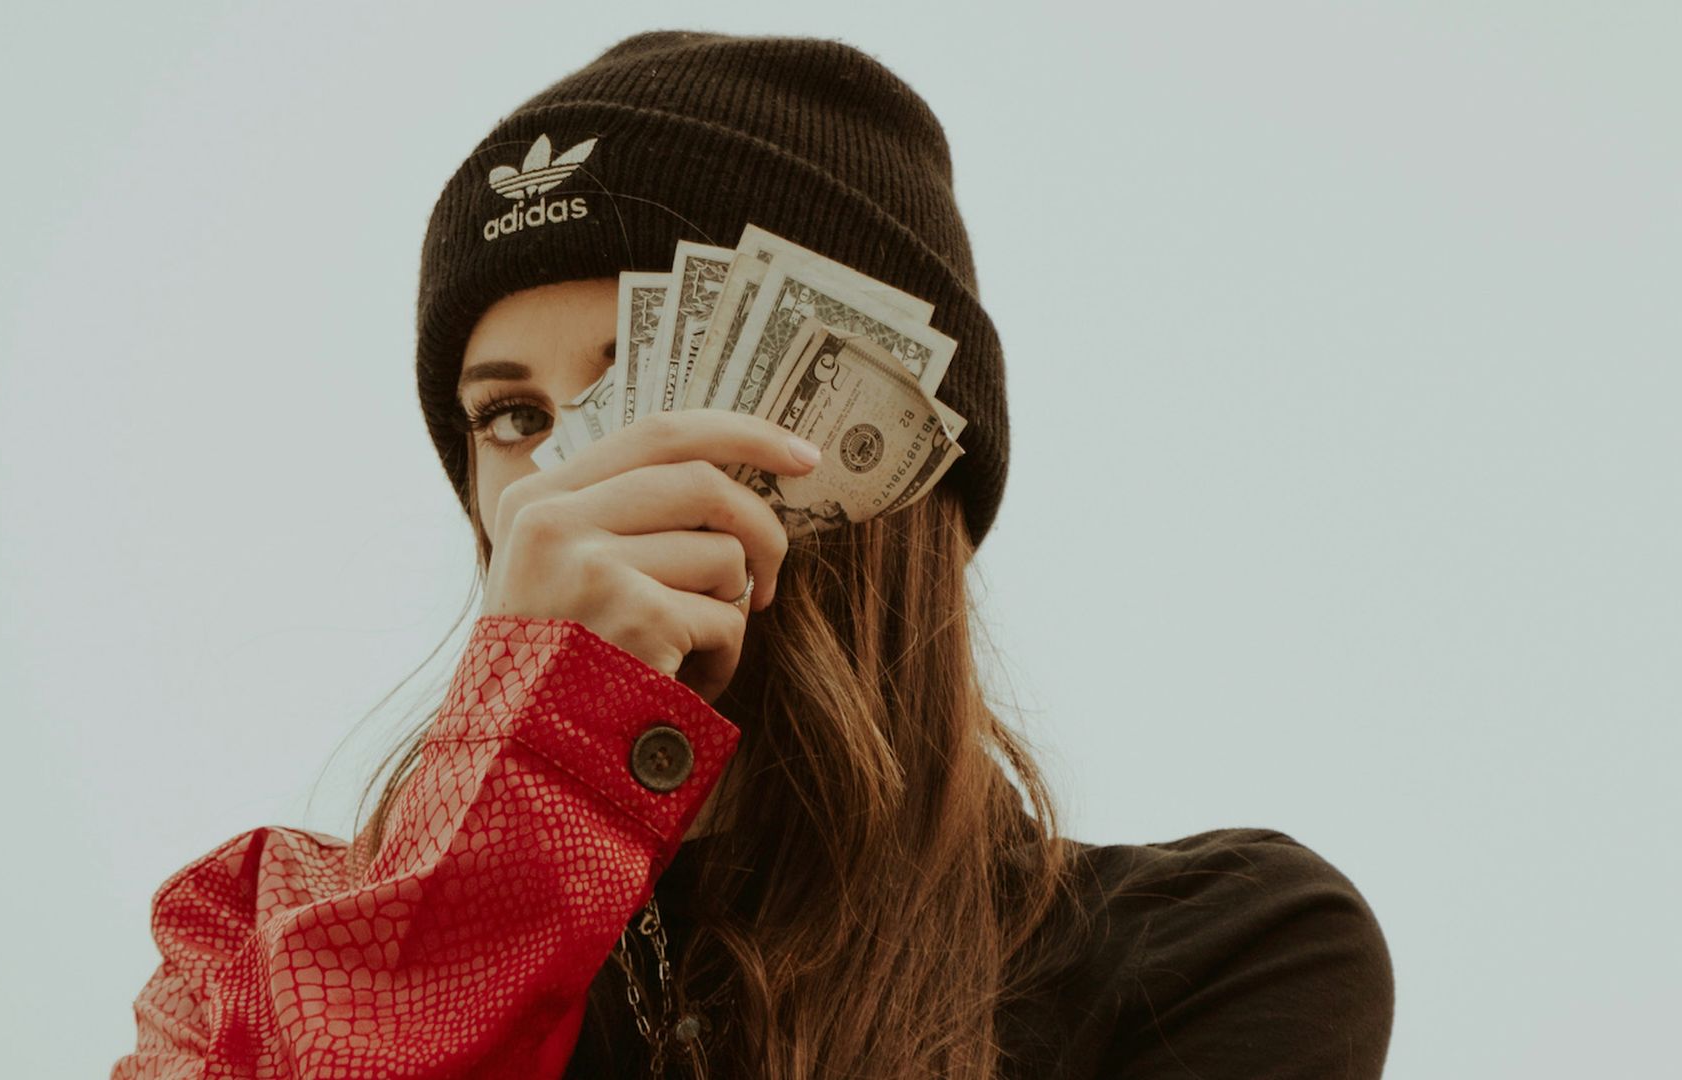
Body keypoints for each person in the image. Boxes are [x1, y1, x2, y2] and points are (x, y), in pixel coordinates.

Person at [109, 30, 1394, 1080]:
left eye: (640, 385)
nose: (562, 482)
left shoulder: (1221, 950)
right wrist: (525, 787)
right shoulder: (251, 954)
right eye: (510, 418)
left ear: (855, 441)